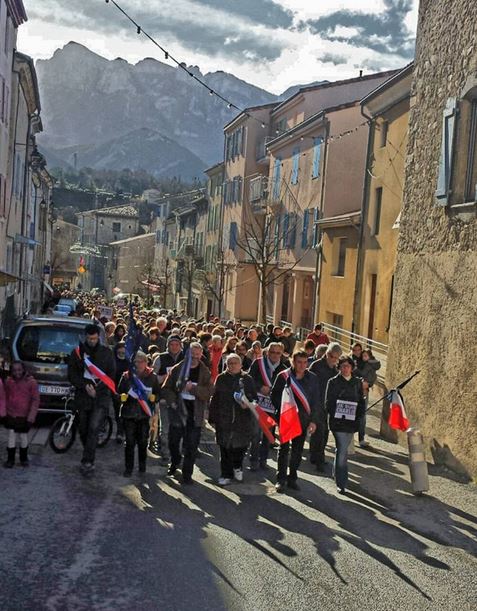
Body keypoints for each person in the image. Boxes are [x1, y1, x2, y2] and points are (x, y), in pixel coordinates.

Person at [67, 324, 116, 476]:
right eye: (89, 339)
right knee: (83, 429)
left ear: (98, 338)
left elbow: (111, 375)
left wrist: (98, 389)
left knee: (94, 428)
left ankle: (88, 461)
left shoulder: (106, 353)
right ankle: (88, 449)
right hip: (83, 396)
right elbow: (72, 374)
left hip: (100, 397)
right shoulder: (77, 353)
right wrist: (84, 386)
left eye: (94, 338)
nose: (92, 341)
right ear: (85, 337)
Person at [161, 342, 213, 484]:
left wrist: (194, 389)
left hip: (195, 412)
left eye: (197, 354)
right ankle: (175, 461)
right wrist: (172, 401)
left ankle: (187, 474)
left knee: (191, 445)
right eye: (192, 354)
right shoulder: (178, 368)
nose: (195, 357)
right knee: (173, 441)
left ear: (201, 354)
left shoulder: (204, 371)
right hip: (178, 409)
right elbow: (166, 388)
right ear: (187, 354)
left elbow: (209, 392)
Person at [271, 351, 319, 492]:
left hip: (303, 420)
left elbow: (316, 401)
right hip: (286, 419)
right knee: (284, 449)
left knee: (297, 451)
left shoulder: (312, 378)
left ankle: (292, 478)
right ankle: (280, 479)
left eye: (305, 362)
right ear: (293, 361)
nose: (302, 365)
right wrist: (285, 411)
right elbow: (274, 398)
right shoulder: (283, 376)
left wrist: (313, 421)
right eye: (299, 362)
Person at [209, 354, 257, 486]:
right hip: (224, 419)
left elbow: (254, 398)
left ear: (241, 365)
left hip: (242, 420)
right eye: (230, 363)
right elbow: (215, 398)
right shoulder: (221, 378)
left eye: (235, 363)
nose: (233, 365)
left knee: (240, 448)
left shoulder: (247, 379)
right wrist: (212, 417)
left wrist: (248, 404)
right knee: (225, 448)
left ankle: (238, 466)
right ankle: (226, 474)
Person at [325, 356, 366, 494]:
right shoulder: (333, 382)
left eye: (348, 366)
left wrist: (359, 413)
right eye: (343, 366)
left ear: (351, 367)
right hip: (338, 423)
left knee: (341, 451)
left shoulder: (357, 382)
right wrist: (338, 412)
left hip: (352, 423)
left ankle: (337, 474)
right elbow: (328, 403)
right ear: (339, 367)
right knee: (342, 451)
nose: (345, 368)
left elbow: (361, 401)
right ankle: (341, 482)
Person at [118, 351, 160, 476]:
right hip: (129, 414)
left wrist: (154, 397)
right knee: (129, 443)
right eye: (136, 361)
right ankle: (128, 468)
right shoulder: (127, 376)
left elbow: (158, 393)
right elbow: (119, 391)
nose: (138, 364)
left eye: (141, 361)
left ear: (146, 362)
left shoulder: (152, 377)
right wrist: (122, 396)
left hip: (144, 414)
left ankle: (142, 468)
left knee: (142, 443)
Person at [248, 342, 287, 470]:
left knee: (267, 435)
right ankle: (254, 458)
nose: (275, 355)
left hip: (272, 407)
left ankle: (263, 459)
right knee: (255, 434)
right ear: (267, 352)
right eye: (272, 352)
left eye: (278, 353)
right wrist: (259, 387)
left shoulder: (284, 369)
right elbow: (249, 379)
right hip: (257, 404)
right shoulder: (258, 363)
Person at [308, 342, 343, 471]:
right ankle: (319, 460)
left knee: (324, 432)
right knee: (319, 432)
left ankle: (315, 455)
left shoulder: (335, 369)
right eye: (333, 357)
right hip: (317, 403)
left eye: (337, 358)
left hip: (328, 404)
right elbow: (308, 382)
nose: (334, 360)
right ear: (327, 354)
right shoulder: (316, 366)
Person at [1, 361, 40, 467]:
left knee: (23, 437)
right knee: (11, 436)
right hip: (11, 414)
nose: (17, 372)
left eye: (19, 370)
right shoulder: (9, 381)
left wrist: (31, 417)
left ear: (23, 370)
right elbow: (5, 396)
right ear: (11, 371)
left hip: (24, 416)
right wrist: (3, 413)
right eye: (14, 370)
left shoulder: (31, 382)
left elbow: (35, 400)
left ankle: (23, 458)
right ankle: (10, 459)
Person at [152, 335, 184, 461]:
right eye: (172, 344)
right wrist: (165, 376)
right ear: (168, 345)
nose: (174, 347)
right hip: (164, 398)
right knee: (165, 428)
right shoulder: (160, 358)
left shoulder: (186, 358)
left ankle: (177, 455)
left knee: (180, 429)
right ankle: (165, 453)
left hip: (182, 400)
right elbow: (153, 378)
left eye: (177, 344)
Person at [354, 349, 381, 448]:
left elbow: (377, 365)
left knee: (362, 415)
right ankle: (351, 436)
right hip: (356, 389)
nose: (364, 357)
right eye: (363, 355)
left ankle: (361, 438)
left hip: (365, 390)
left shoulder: (371, 365)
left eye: (366, 355)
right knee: (354, 413)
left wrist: (368, 384)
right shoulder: (358, 364)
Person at [112, 342, 129, 443]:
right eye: (120, 350)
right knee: (117, 411)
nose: (122, 352)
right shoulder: (112, 360)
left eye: (124, 350)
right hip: (114, 389)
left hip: (127, 389)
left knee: (126, 411)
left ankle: (126, 432)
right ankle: (119, 432)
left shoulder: (129, 361)